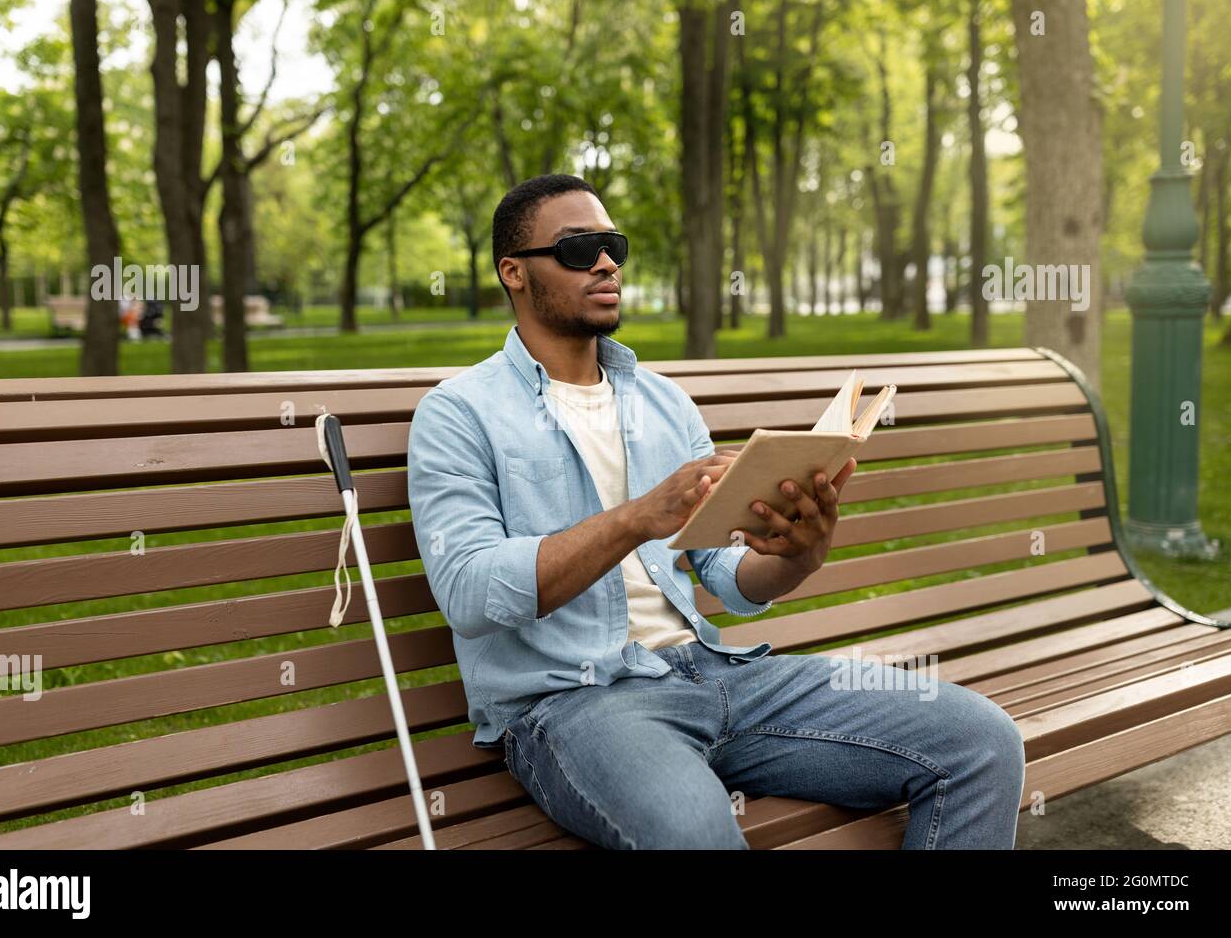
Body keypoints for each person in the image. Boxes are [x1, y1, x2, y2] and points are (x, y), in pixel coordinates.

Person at [406, 174, 1025, 849]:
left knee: (981, 743)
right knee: (696, 832)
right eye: (581, 249)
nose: (608, 262)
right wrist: (637, 517)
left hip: (723, 675)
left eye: (614, 245)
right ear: (513, 272)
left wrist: (797, 554)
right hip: (578, 703)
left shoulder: (663, 402)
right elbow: (469, 593)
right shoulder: (459, 413)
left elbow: (724, 570)